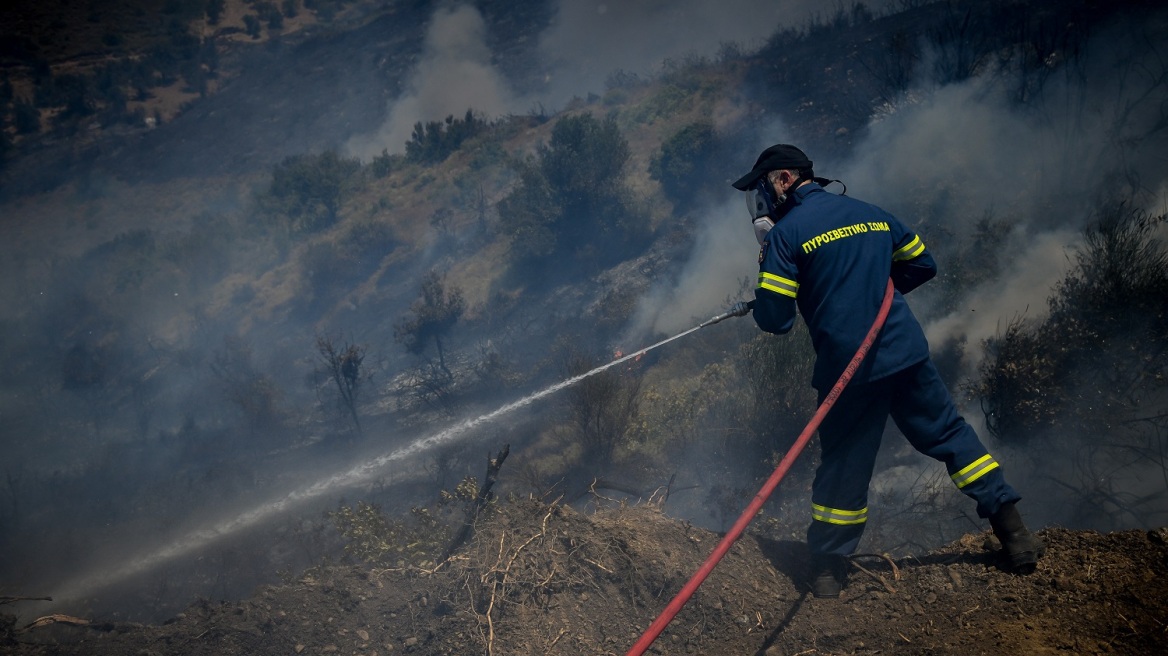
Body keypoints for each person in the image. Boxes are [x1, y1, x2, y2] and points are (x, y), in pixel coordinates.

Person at [731, 144, 1044, 598]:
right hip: (905, 353)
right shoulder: (872, 214)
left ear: (782, 180)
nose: (760, 202)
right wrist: (871, 289)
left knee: (844, 467)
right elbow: (923, 264)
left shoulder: (785, 234)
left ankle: (825, 572)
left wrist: (771, 287)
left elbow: (776, 321)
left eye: (761, 189)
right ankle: (1014, 534)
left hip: (848, 371)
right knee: (953, 438)